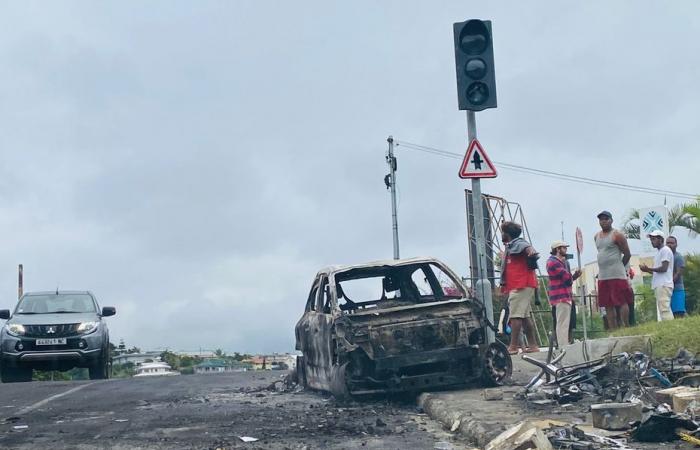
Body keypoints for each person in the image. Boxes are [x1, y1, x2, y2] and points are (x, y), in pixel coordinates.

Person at [500, 221, 539, 355]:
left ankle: (513, 346)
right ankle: (533, 345)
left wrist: (531, 252)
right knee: (525, 316)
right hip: (520, 284)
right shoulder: (511, 246)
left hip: (521, 285)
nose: (502, 235)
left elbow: (528, 248)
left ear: (507, 233)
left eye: (503, 232)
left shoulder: (519, 244)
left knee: (515, 316)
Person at [594, 210, 632, 329]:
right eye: (601, 219)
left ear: (611, 220)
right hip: (603, 275)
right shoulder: (596, 236)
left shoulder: (617, 235)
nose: (603, 221)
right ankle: (613, 329)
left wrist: (620, 266)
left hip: (617, 274)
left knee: (622, 301)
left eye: (606, 219)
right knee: (607, 304)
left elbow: (627, 253)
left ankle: (625, 326)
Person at [546, 241, 582, 348]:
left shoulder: (556, 262)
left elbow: (567, 279)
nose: (566, 250)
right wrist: (573, 275)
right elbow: (566, 278)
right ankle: (563, 345)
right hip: (560, 295)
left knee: (563, 322)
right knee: (562, 323)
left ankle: (563, 344)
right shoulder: (554, 262)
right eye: (564, 248)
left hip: (562, 295)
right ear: (558, 249)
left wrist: (573, 276)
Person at [640, 230, 675, 321]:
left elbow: (664, 268)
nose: (652, 241)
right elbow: (657, 272)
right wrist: (647, 270)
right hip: (660, 284)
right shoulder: (659, 252)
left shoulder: (665, 250)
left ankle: (670, 328)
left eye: (654, 239)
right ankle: (668, 327)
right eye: (651, 239)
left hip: (663, 284)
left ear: (661, 239)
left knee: (664, 309)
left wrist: (649, 269)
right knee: (663, 308)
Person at [666, 235, 686, 318]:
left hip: (677, 289)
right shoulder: (665, 257)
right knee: (671, 313)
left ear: (676, 244)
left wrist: (669, 283)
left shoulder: (678, 257)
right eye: (668, 243)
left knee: (679, 312)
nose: (669, 245)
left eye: (672, 243)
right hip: (668, 289)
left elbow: (678, 273)